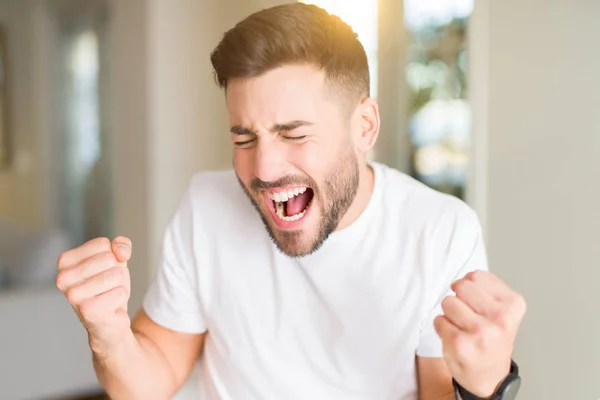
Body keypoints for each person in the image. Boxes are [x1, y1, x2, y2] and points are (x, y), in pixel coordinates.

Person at [56, 4, 526, 400]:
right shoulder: (205, 207)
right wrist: (110, 336)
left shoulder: (440, 231)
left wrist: (485, 384)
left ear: (364, 127)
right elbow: (150, 380)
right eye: (244, 139)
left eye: (294, 134)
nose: (263, 168)